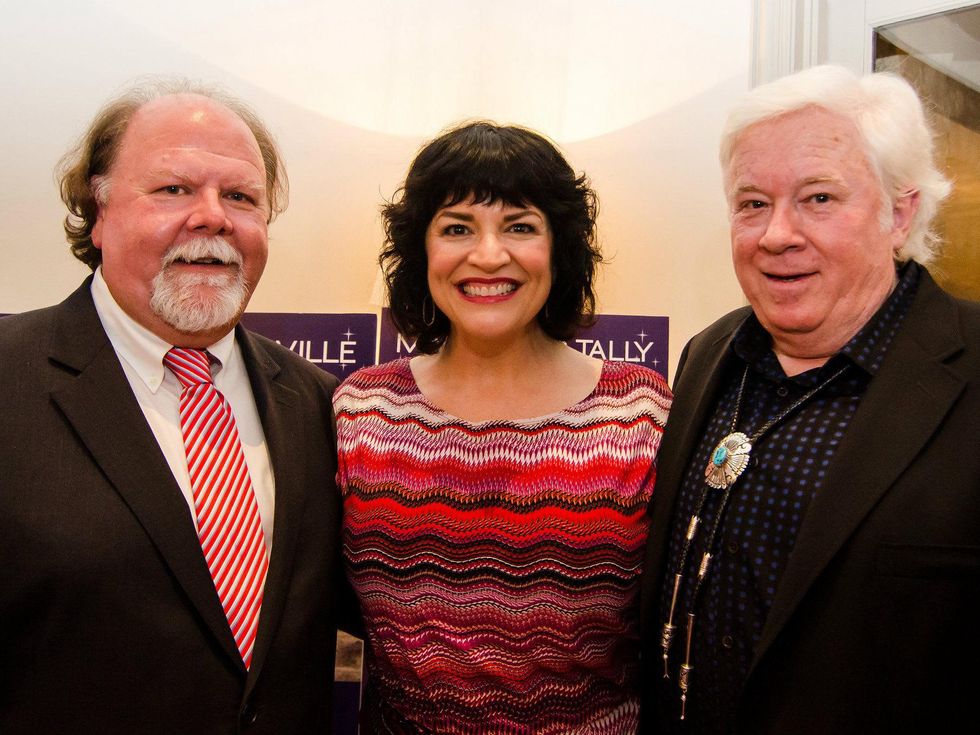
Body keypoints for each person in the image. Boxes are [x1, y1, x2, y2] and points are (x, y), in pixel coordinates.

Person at [639, 65, 980, 734]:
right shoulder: (708, 356)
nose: (776, 235)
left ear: (899, 211)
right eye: (753, 203)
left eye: (819, 199)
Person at [0, 80, 347, 733]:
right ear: (97, 213)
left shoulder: (323, 404)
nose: (212, 216)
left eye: (240, 197)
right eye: (173, 189)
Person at [334, 121, 672, 734]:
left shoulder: (640, 411)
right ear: (421, 253)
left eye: (520, 226)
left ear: (561, 249)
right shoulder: (362, 411)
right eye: (457, 227)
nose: (488, 254)